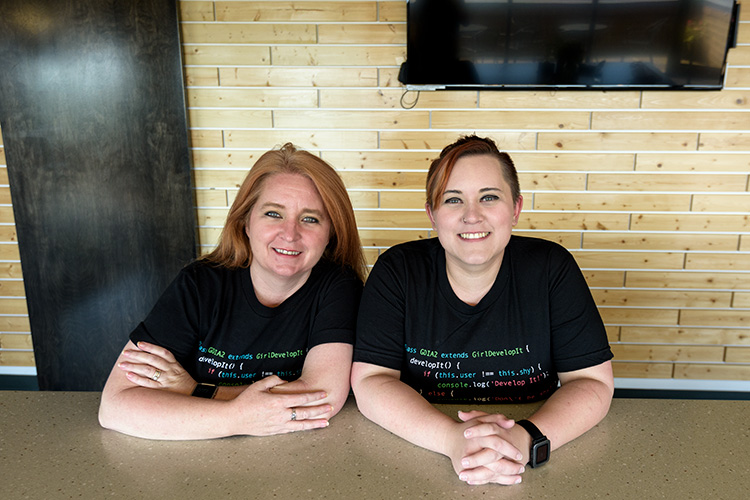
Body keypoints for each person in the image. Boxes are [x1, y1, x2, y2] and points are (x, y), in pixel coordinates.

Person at [351, 135, 614, 485]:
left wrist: (524, 439)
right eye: (452, 199)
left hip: (529, 452)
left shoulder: (551, 268)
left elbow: (592, 381)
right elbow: (370, 381)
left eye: (489, 197)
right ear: (432, 215)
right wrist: (452, 440)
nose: (471, 215)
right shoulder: (398, 271)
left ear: (516, 209)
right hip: (421, 448)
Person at [99, 143, 366, 440]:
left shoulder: (339, 287)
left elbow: (320, 398)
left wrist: (194, 391)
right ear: (245, 223)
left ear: (331, 233)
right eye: (273, 214)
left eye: (310, 219)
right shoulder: (199, 284)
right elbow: (116, 405)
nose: (290, 234)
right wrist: (236, 419)